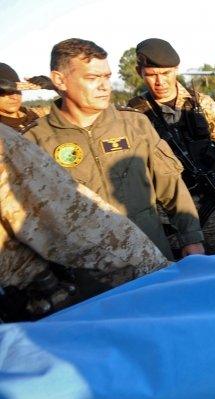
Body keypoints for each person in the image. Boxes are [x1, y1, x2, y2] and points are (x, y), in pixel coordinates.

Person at [23, 38, 204, 260]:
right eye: (92, 78)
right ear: (59, 80)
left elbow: (171, 185)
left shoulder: (135, 124)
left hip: (151, 256)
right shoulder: (34, 141)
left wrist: (192, 238)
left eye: (106, 77)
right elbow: (28, 218)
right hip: (87, 272)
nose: (104, 86)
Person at [0, 123, 169, 322]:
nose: (103, 88)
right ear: (61, 88)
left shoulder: (132, 121)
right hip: (37, 313)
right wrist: (163, 278)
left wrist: (191, 235)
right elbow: (74, 224)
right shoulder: (30, 136)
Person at [128, 38, 215, 255]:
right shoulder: (133, 114)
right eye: (151, 75)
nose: (160, 81)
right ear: (140, 72)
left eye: (166, 73)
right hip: (167, 213)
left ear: (176, 69)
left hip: (212, 201)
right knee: (184, 273)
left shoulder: (201, 103)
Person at [0, 63, 49, 133]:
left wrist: (56, 87)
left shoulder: (37, 115)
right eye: (6, 91)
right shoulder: (3, 129)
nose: (14, 97)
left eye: (17, 89)